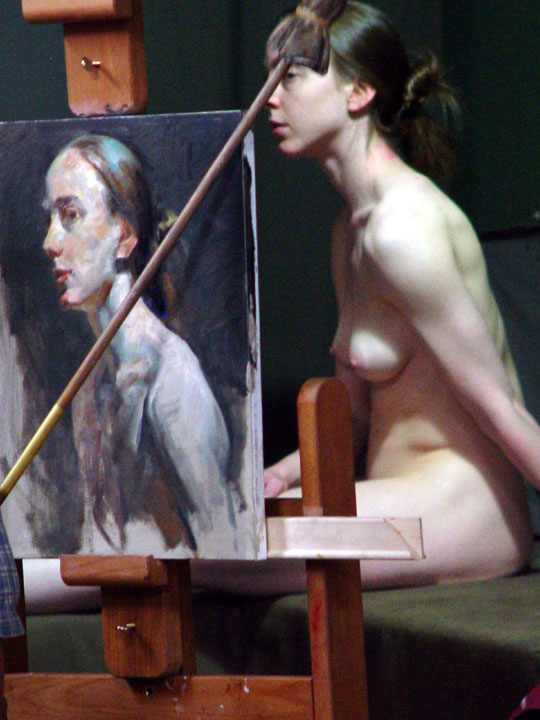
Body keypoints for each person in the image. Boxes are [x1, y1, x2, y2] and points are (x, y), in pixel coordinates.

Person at [193, 1, 540, 594]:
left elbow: (501, 407)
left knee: (198, 548)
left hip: (468, 510)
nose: (269, 97)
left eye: (290, 76)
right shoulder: (350, 230)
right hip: (397, 500)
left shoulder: (403, 229)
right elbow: (352, 419)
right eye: (269, 76)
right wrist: (277, 476)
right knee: (187, 532)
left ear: (358, 93)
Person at [41, 134, 236, 557]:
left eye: (71, 215)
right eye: (49, 220)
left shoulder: (172, 380)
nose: (50, 243)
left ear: (124, 236)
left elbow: (223, 543)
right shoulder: (90, 387)